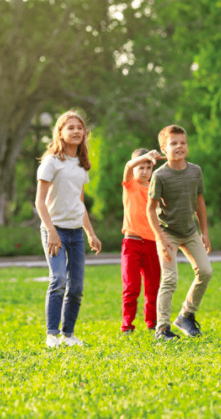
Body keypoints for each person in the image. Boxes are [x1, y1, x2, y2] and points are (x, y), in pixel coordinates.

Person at [35, 110, 102, 348]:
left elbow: (79, 203)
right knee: (59, 279)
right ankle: (51, 335)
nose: (76, 131)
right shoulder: (51, 162)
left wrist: (90, 233)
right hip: (55, 231)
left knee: (76, 287)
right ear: (60, 133)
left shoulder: (82, 165)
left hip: (76, 233)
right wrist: (51, 231)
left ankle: (68, 335)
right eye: (70, 127)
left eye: (79, 128)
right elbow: (39, 201)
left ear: (85, 133)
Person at [147, 125, 213, 341]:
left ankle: (186, 315)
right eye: (173, 143)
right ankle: (162, 329)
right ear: (163, 148)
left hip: (190, 231)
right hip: (168, 233)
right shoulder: (160, 175)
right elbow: (150, 209)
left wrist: (204, 232)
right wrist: (160, 238)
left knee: (205, 272)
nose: (179, 147)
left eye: (182, 143)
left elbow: (200, 203)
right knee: (170, 279)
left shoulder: (195, 171)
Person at [120, 148, 164, 334]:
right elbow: (129, 165)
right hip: (132, 243)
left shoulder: (156, 191)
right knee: (131, 287)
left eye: (148, 167)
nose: (144, 171)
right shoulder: (130, 185)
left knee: (153, 287)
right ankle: (127, 325)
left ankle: (152, 323)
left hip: (153, 244)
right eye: (141, 167)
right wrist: (143, 158)